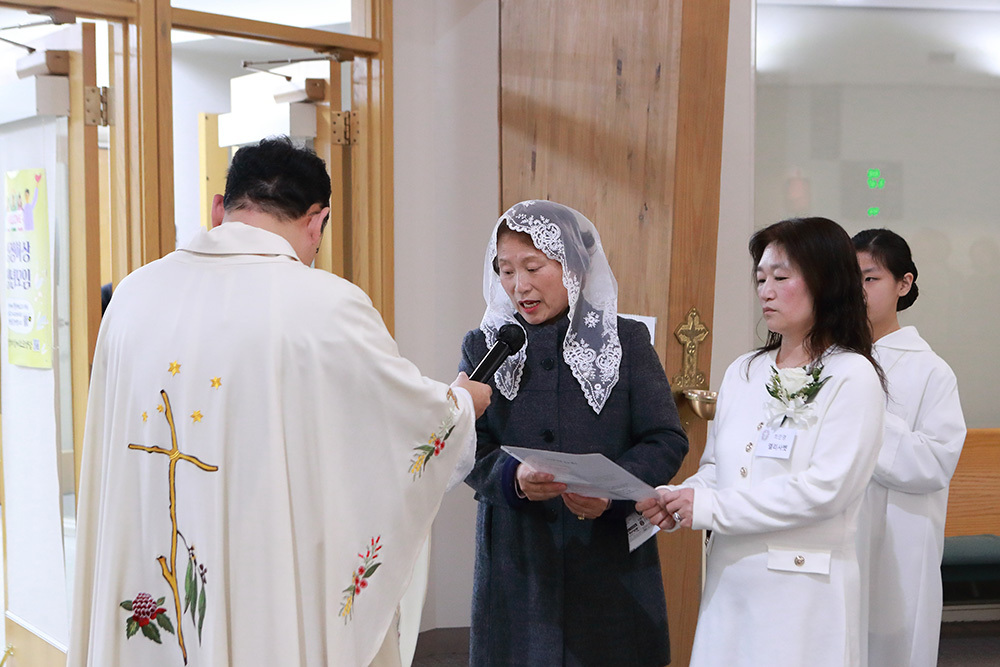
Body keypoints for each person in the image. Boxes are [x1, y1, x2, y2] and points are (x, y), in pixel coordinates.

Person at [67, 136, 491, 667]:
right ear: (317, 220)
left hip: (151, 543)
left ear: (220, 207)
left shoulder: (133, 295)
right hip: (261, 563)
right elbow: (400, 418)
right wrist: (460, 403)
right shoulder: (327, 305)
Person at [638, 217, 885, 667]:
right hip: (732, 579)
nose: (765, 291)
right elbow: (718, 467)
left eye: (781, 278)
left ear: (826, 281)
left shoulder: (852, 375)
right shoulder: (745, 370)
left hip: (803, 587)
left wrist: (710, 508)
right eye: (760, 279)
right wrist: (681, 497)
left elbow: (826, 490)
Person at [461, 200, 689, 666]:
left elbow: (665, 438)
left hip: (608, 561)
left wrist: (611, 492)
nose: (519, 285)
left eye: (533, 267)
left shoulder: (626, 341)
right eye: (506, 270)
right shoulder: (483, 345)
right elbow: (466, 443)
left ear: (575, 268)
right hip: (518, 560)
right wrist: (513, 478)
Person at [853, 228, 966, 667]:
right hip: (834, 532)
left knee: (892, 646)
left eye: (870, 278)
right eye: (851, 279)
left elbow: (934, 462)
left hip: (898, 537)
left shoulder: (930, 370)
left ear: (904, 283)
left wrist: (862, 417)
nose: (858, 291)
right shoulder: (827, 360)